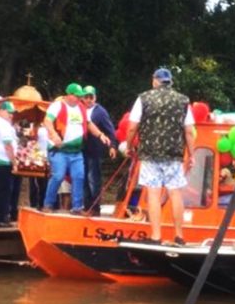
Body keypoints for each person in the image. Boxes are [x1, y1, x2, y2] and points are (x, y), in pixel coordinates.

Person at [125, 67, 195, 245]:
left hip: (150, 154)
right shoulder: (183, 100)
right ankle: (179, 236)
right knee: (175, 193)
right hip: (173, 155)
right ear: (170, 82)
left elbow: (132, 126)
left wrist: (128, 145)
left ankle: (156, 236)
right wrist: (191, 155)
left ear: (155, 80)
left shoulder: (144, 98)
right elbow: (188, 132)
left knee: (154, 194)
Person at [43, 83, 111, 214]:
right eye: (77, 96)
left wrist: (100, 134)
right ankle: (48, 203)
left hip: (76, 151)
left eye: (80, 96)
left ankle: (77, 207)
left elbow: (89, 123)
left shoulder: (81, 108)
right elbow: (47, 121)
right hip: (59, 150)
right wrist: (53, 134)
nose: (79, 99)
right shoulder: (57, 105)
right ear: (69, 95)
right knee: (58, 176)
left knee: (79, 176)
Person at [81, 85, 118, 211]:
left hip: (95, 149)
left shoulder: (100, 112)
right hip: (81, 148)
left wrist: (112, 145)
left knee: (93, 178)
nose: (89, 100)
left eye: (91, 97)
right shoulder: (79, 109)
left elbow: (110, 129)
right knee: (83, 178)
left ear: (95, 98)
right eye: (86, 97)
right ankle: (86, 205)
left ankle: (95, 205)